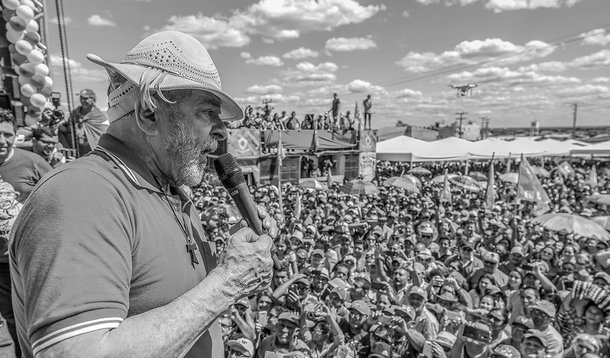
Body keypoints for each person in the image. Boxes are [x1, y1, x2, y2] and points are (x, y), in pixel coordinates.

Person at [10, 31, 277, 358]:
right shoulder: (81, 194)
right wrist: (226, 284)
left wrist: (232, 260)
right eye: (208, 112)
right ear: (149, 114)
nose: (222, 130)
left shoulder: (170, 191)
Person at [58, 88, 109, 156]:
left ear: (93, 100)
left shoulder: (99, 116)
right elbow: (68, 127)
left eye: (85, 98)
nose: (82, 100)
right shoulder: (75, 112)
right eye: (81, 98)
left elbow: (102, 133)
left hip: (92, 150)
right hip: (77, 148)